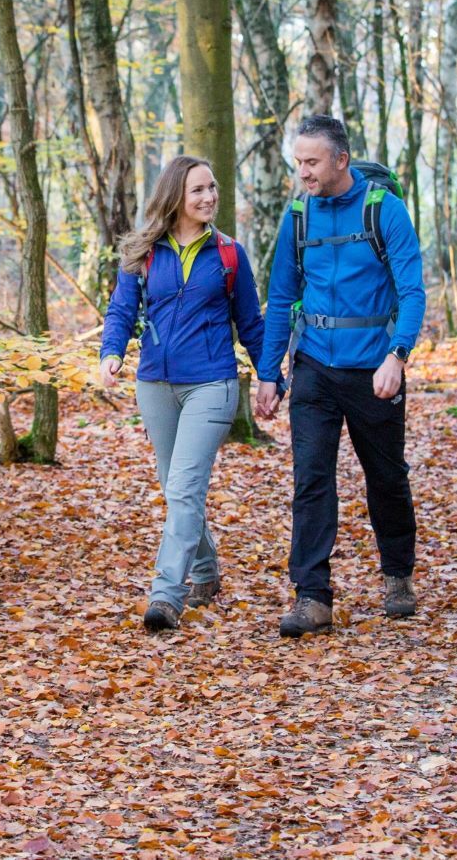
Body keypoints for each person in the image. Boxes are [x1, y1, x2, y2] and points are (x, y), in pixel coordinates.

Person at [253, 114, 426, 637]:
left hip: (374, 369)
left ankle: (397, 575)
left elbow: (413, 290)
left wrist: (397, 355)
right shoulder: (298, 217)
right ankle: (312, 597)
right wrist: (269, 373)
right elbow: (281, 296)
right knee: (310, 480)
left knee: (387, 478)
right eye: (298, 161)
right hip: (314, 370)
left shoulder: (384, 211)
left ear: (341, 161)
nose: (302, 172)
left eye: (311, 162)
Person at [100, 155, 266, 633]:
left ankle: (166, 594)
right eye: (198, 190)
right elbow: (120, 310)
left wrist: (270, 377)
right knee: (176, 488)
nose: (209, 197)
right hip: (154, 384)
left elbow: (251, 323)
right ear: (176, 195)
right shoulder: (144, 252)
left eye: (212, 188)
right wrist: (112, 352)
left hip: (212, 383)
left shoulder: (230, 254)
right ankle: (209, 571)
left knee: (184, 487)